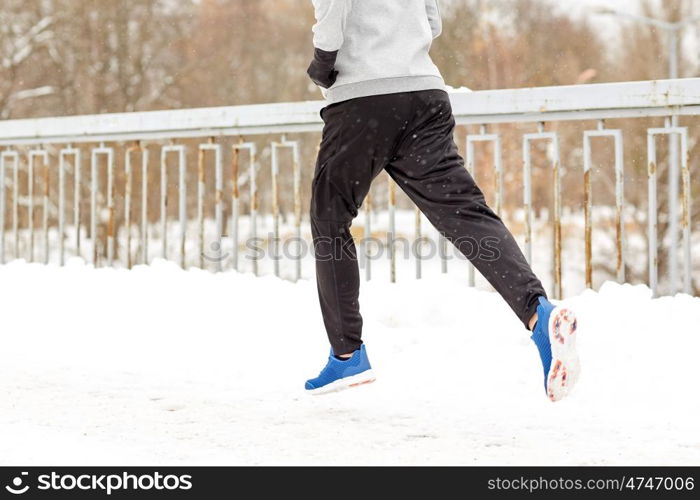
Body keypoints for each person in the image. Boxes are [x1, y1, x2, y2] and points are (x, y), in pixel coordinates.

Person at [304, 0, 579, 402]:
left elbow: (332, 15)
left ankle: (347, 354)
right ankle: (539, 313)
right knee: (465, 213)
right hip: (425, 95)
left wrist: (323, 64)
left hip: (364, 99)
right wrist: (402, 47)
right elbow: (432, 21)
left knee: (329, 219)